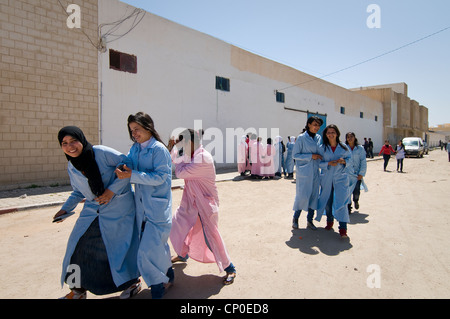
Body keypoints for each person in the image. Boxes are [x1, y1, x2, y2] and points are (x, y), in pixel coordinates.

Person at [54, 126, 140, 299]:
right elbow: (78, 192)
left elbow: (127, 166)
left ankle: (132, 283)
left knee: (115, 250)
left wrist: (111, 191)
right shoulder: (72, 165)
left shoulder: (101, 152)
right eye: (64, 143)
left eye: (73, 141)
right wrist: (65, 209)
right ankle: (77, 290)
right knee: (77, 248)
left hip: (118, 209)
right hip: (93, 211)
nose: (70, 146)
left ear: (82, 139)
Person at [115, 112, 174, 299]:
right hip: (142, 207)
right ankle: (169, 274)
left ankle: (157, 286)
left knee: (146, 250)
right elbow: (130, 162)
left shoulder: (159, 150)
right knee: (157, 246)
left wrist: (132, 175)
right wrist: (123, 165)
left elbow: (160, 177)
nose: (134, 133)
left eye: (137, 129)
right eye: (132, 130)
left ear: (148, 127)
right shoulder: (136, 148)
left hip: (157, 207)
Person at [168, 129, 237, 285]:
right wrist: (174, 149)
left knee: (211, 236)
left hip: (205, 204)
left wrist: (179, 160)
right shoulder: (191, 155)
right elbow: (175, 161)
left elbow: (179, 173)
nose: (181, 147)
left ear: (191, 143)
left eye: (183, 143)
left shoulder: (202, 158)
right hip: (191, 203)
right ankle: (183, 254)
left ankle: (230, 268)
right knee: (177, 224)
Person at [315, 125, 352, 238]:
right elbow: (317, 163)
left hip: (340, 178)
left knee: (341, 202)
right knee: (327, 202)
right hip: (327, 178)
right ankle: (329, 221)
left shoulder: (344, 147)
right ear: (326, 135)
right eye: (328, 133)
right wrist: (328, 164)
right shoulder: (322, 148)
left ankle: (343, 228)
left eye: (333, 132)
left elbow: (350, 160)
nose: (331, 134)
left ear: (337, 133)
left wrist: (344, 161)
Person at [292, 116, 323, 230]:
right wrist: (311, 156)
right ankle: (295, 219)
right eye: (314, 124)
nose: (317, 127)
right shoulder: (301, 138)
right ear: (309, 124)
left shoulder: (319, 137)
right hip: (304, 172)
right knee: (302, 196)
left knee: (314, 196)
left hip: (315, 171)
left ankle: (310, 221)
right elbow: (295, 155)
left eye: (318, 125)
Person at [345, 132, 367, 213]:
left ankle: (356, 200)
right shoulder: (344, 148)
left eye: (351, 136)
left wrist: (361, 173)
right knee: (347, 192)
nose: (350, 138)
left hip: (357, 174)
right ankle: (348, 207)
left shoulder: (360, 148)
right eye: (348, 137)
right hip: (347, 174)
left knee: (356, 190)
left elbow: (363, 161)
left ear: (354, 138)